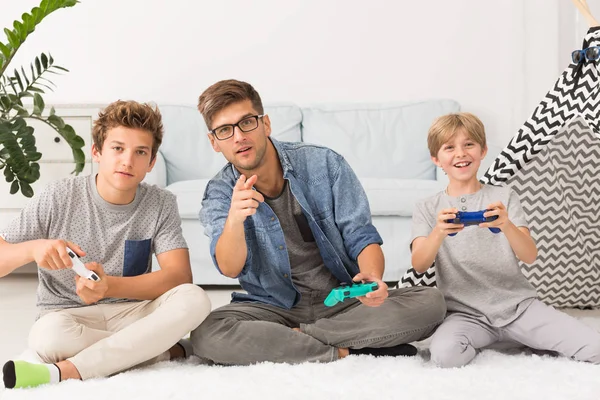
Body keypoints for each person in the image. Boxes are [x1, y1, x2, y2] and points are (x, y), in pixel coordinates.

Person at [190, 79, 446, 365]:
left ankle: (293, 339)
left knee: (431, 303)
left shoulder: (324, 164)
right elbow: (229, 267)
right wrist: (235, 220)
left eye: (247, 122)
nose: (239, 137)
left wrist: (372, 278)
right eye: (225, 130)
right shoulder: (219, 192)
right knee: (206, 333)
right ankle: (349, 350)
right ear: (214, 142)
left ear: (266, 124)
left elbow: (361, 236)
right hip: (274, 307)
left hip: (342, 302)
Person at [0, 100, 211, 389]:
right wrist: (34, 248)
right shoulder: (59, 196)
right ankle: (166, 350)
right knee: (48, 340)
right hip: (67, 317)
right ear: (97, 151)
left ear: (151, 163)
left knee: (194, 298)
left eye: (140, 153)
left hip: (133, 314)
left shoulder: (160, 203)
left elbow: (179, 277)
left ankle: (66, 372)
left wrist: (109, 286)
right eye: (118, 148)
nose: (128, 161)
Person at [410, 112, 600, 368]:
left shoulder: (504, 196)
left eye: (469, 144)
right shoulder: (426, 207)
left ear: (483, 150)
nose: (461, 154)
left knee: (595, 348)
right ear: (436, 159)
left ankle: (523, 335)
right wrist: (439, 231)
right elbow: (420, 264)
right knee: (445, 356)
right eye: (449, 148)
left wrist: (506, 225)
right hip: (466, 315)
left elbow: (529, 256)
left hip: (518, 308)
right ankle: (509, 339)